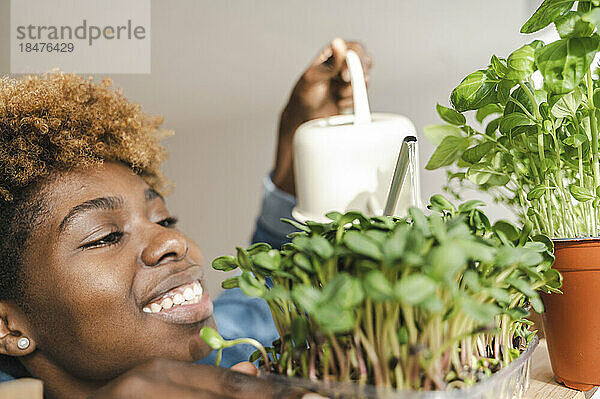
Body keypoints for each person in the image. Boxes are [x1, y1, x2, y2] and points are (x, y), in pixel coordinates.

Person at [0, 38, 371, 398]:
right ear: (7, 325)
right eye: (106, 236)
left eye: (163, 219)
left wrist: (299, 138)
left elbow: (268, 280)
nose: (173, 241)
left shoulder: (234, 344)